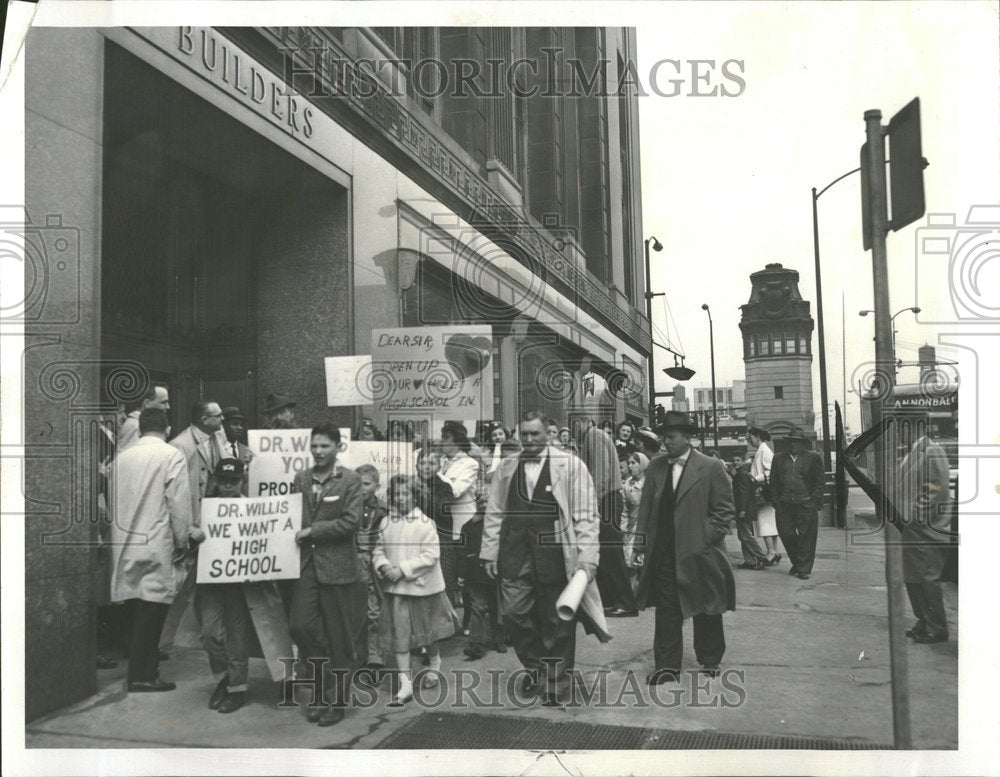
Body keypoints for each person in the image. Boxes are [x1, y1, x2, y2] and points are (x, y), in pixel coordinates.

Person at [481, 410, 612, 706]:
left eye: (534, 434)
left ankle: (557, 682)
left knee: (558, 622)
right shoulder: (506, 467)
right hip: (515, 552)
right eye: (523, 434)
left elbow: (586, 515)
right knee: (514, 614)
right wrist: (489, 552)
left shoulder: (570, 465)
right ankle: (536, 668)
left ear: (547, 434)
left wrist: (587, 557)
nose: (528, 440)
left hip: (555, 552)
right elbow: (494, 511)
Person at [634, 411, 736, 684]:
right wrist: (640, 545)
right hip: (664, 553)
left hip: (700, 552)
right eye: (664, 437)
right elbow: (645, 510)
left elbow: (724, 510)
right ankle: (667, 667)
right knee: (667, 609)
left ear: (687, 438)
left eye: (671, 437)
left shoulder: (710, 466)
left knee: (706, 605)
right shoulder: (655, 468)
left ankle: (710, 658)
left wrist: (705, 538)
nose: (666, 442)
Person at [109, 408, 199, 692]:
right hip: (156, 542)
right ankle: (143, 675)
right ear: (168, 429)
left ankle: (139, 670)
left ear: (139, 429)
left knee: (136, 607)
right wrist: (184, 540)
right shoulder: (171, 455)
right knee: (153, 609)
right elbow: (178, 504)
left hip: (124, 542)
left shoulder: (120, 459)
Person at [196, 459, 294, 713]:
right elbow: (192, 538)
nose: (228, 486)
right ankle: (225, 678)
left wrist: (256, 567)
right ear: (215, 480)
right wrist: (193, 535)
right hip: (213, 583)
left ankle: (237, 689)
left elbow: (265, 545)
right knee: (210, 634)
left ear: (242, 481)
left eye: (234, 481)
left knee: (237, 638)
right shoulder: (205, 509)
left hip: (241, 585)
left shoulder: (253, 509)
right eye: (223, 481)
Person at [289, 423, 365, 727]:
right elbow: (289, 516)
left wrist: (313, 530)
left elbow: (351, 522)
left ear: (337, 447)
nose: (319, 452)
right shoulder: (301, 478)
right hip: (306, 566)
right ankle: (323, 686)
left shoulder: (350, 480)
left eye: (325, 446)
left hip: (338, 568)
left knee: (339, 637)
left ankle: (336, 701)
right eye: (315, 446)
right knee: (300, 626)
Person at [373, 476, 461, 705]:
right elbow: (378, 549)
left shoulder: (425, 523)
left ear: (415, 496)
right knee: (400, 635)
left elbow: (431, 555)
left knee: (427, 632)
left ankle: (434, 663)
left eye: (406, 494)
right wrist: (382, 564)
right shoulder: (386, 522)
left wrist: (402, 569)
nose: (401, 499)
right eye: (396, 494)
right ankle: (405, 683)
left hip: (422, 588)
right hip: (397, 590)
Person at [896, 428, 952, 643]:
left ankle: (937, 627)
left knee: (927, 577)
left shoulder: (932, 451)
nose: (899, 431)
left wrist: (916, 517)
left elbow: (935, 490)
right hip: (912, 529)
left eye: (902, 424)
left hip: (926, 530)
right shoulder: (912, 452)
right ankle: (924, 620)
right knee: (913, 577)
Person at [579, 417, 638, 618]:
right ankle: (614, 600)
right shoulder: (598, 436)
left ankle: (624, 602)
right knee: (608, 552)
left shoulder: (593, 436)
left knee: (611, 553)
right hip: (609, 498)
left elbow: (600, 474)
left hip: (606, 500)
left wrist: (592, 505)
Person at [769, 427, 825, 580]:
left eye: (797, 442)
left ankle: (804, 569)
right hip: (784, 504)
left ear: (803, 444)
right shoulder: (778, 458)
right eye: (792, 442)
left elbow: (820, 481)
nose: (794, 445)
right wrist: (775, 501)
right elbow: (772, 482)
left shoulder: (813, 458)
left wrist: (813, 499)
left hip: (806, 504)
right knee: (786, 533)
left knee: (807, 536)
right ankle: (797, 562)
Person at [354, 464, 389, 672]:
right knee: (354, 612)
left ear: (377, 485)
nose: (362, 488)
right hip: (352, 561)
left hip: (374, 561)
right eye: (357, 484)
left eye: (366, 484)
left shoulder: (385, 510)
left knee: (375, 610)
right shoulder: (347, 507)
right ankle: (358, 654)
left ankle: (375, 656)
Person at [170, 399, 230, 520]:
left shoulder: (217, 435)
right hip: (195, 512)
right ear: (204, 420)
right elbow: (176, 491)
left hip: (215, 509)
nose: (223, 418)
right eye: (218, 416)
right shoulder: (180, 445)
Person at [459, 506, 505, 660]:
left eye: (487, 501)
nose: (484, 504)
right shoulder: (468, 526)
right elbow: (462, 550)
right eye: (481, 501)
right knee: (477, 607)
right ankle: (476, 644)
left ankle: (499, 639)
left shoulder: (498, 524)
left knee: (496, 606)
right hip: (474, 572)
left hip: (494, 570)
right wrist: (461, 572)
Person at [748, 427, 781, 567]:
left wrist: (755, 478)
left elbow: (770, 471)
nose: (749, 440)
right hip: (766, 493)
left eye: (750, 437)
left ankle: (771, 553)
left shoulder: (764, 451)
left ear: (757, 437)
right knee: (770, 524)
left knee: (764, 523)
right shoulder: (762, 450)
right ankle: (774, 552)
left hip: (763, 493)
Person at [732, 458, 769, 570]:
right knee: (743, 535)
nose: (735, 462)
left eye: (738, 460)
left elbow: (743, 493)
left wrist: (742, 510)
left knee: (746, 535)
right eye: (734, 460)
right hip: (748, 509)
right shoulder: (744, 474)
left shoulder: (741, 475)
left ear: (743, 461)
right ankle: (749, 560)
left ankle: (761, 557)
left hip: (744, 510)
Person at [620, 451, 650, 584]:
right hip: (633, 529)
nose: (630, 466)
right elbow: (625, 510)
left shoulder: (650, 482)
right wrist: (624, 530)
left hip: (649, 528)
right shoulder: (627, 485)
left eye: (634, 463)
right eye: (629, 463)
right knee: (631, 564)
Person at [118, 382, 170, 453]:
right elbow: (125, 459)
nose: (168, 407)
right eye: (163, 402)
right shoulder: (134, 426)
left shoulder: (141, 424)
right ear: (147, 403)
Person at [221, 406, 254, 470]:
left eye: (241, 425)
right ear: (224, 425)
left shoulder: (245, 450)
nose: (240, 428)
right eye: (235, 424)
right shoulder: (217, 448)